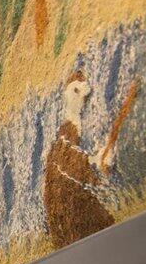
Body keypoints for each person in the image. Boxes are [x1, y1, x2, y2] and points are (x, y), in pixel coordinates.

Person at [45, 65, 118, 248]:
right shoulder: (67, 129)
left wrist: (96, 160)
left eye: (81, 93)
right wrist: (95, 160)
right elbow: (68, 159)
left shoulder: (73, 126)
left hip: (72, 198)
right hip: (66, 201)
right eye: (74, 91)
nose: (78, 98)